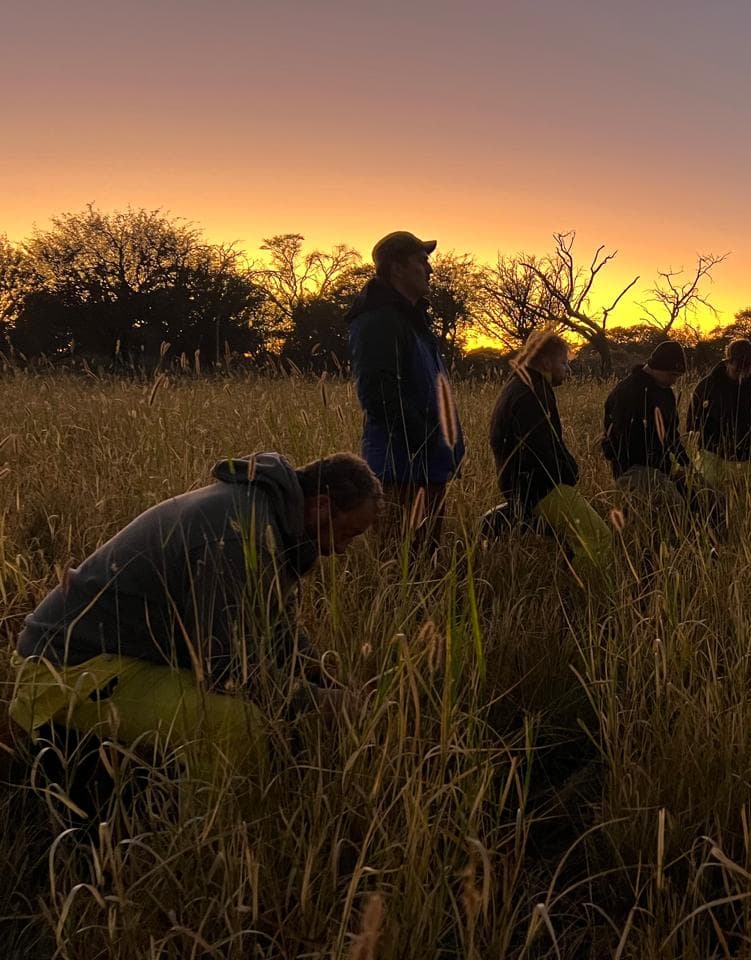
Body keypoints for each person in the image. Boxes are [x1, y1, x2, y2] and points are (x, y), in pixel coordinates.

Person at [8, 452, 381, 787]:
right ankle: (215, 847)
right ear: (321, 507)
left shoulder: (268, 520)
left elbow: (276, 628)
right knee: (237, 726)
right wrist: (318, 703)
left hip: (122, 658)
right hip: (66, 671)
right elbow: (225, 669)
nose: (344, 548)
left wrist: (323, 678)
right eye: (349, 533)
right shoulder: (238, 534)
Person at [348, 230, 464, 554]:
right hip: (402, 468)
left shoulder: (409, 318)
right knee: (401, 562)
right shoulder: (379, 320)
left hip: (424, 465)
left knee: (422, 560)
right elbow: (377, 394)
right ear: (397, 268)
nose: (430, 270)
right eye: (422, 261)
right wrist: (426, 439)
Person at [486, 331, 613, 581]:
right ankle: (583, 596)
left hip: (527, 484)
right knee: (598, 537)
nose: (568, 369)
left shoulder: (521, 385)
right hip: (541, 486)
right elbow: (540, 447)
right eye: (564, 363)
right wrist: (569, 472)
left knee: (573, 535)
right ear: (546, 363)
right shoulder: (531, 392)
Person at [688, 339, 751, 495]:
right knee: (704, 491)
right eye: (737, 370)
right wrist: (713, 446)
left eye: (746, 370)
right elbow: (694, 423)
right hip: (715, 455)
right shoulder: (707, 386)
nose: (742, 375)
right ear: (728, 362)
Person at [602, 340, 692, 495]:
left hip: (663, 467)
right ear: (656, 368)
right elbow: (618, 442)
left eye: (678, 376)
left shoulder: (666, 393)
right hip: (632, 469)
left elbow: (672, 436)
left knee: (703, 496)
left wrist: (686, 465)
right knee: (675, 504)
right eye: (672, 375)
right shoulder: (626, 393)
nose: (674, 381)